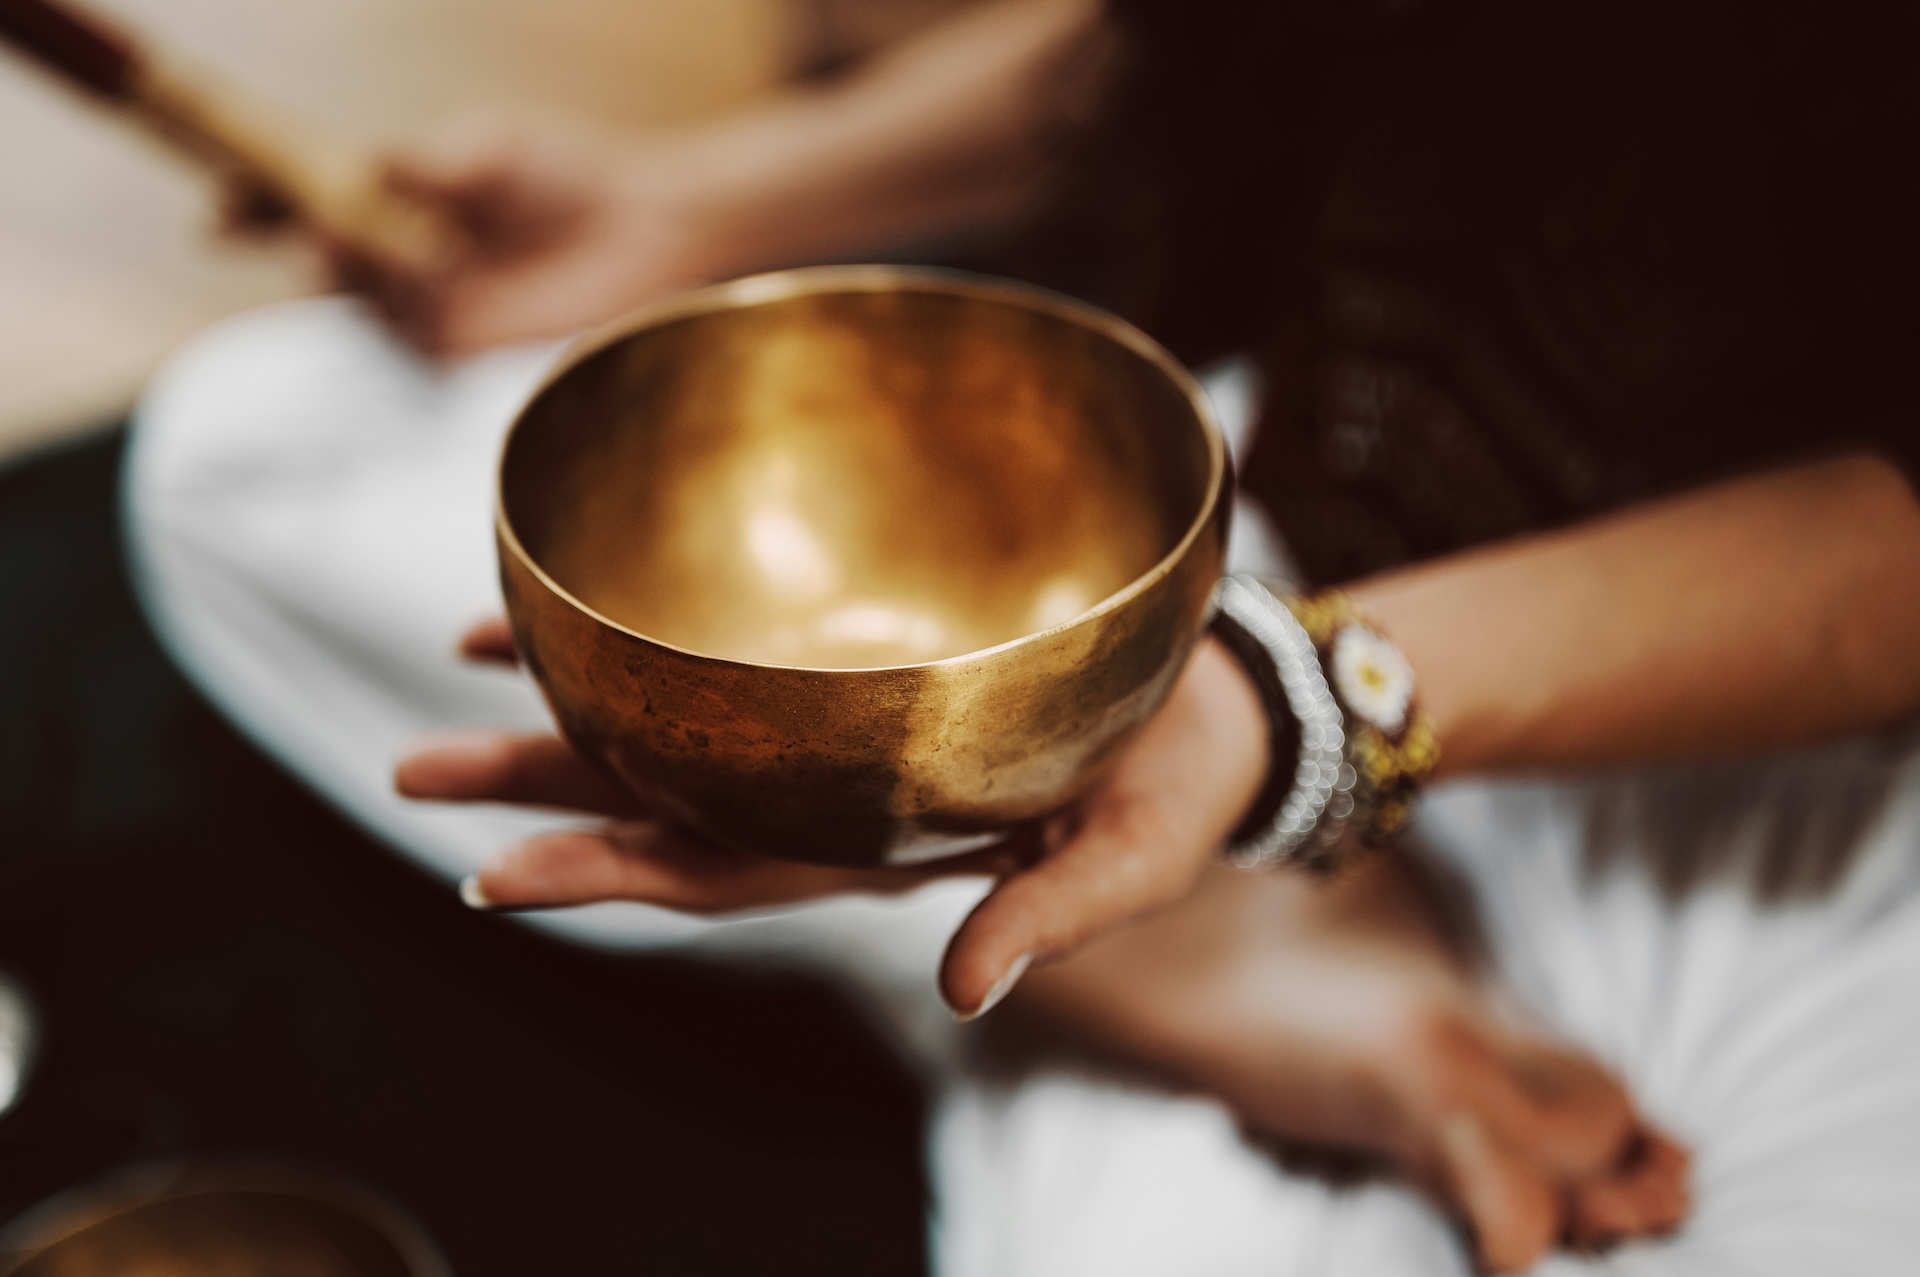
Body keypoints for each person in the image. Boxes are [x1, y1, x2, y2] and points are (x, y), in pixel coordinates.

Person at [225, 0, 1920, 1268]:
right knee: (254, 446)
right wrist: (696, 207)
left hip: (1737, 729)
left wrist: (1284, 707)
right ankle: (1180, 944)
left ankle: (1129, 933)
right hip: (1239, 551)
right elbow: (1207, 36)